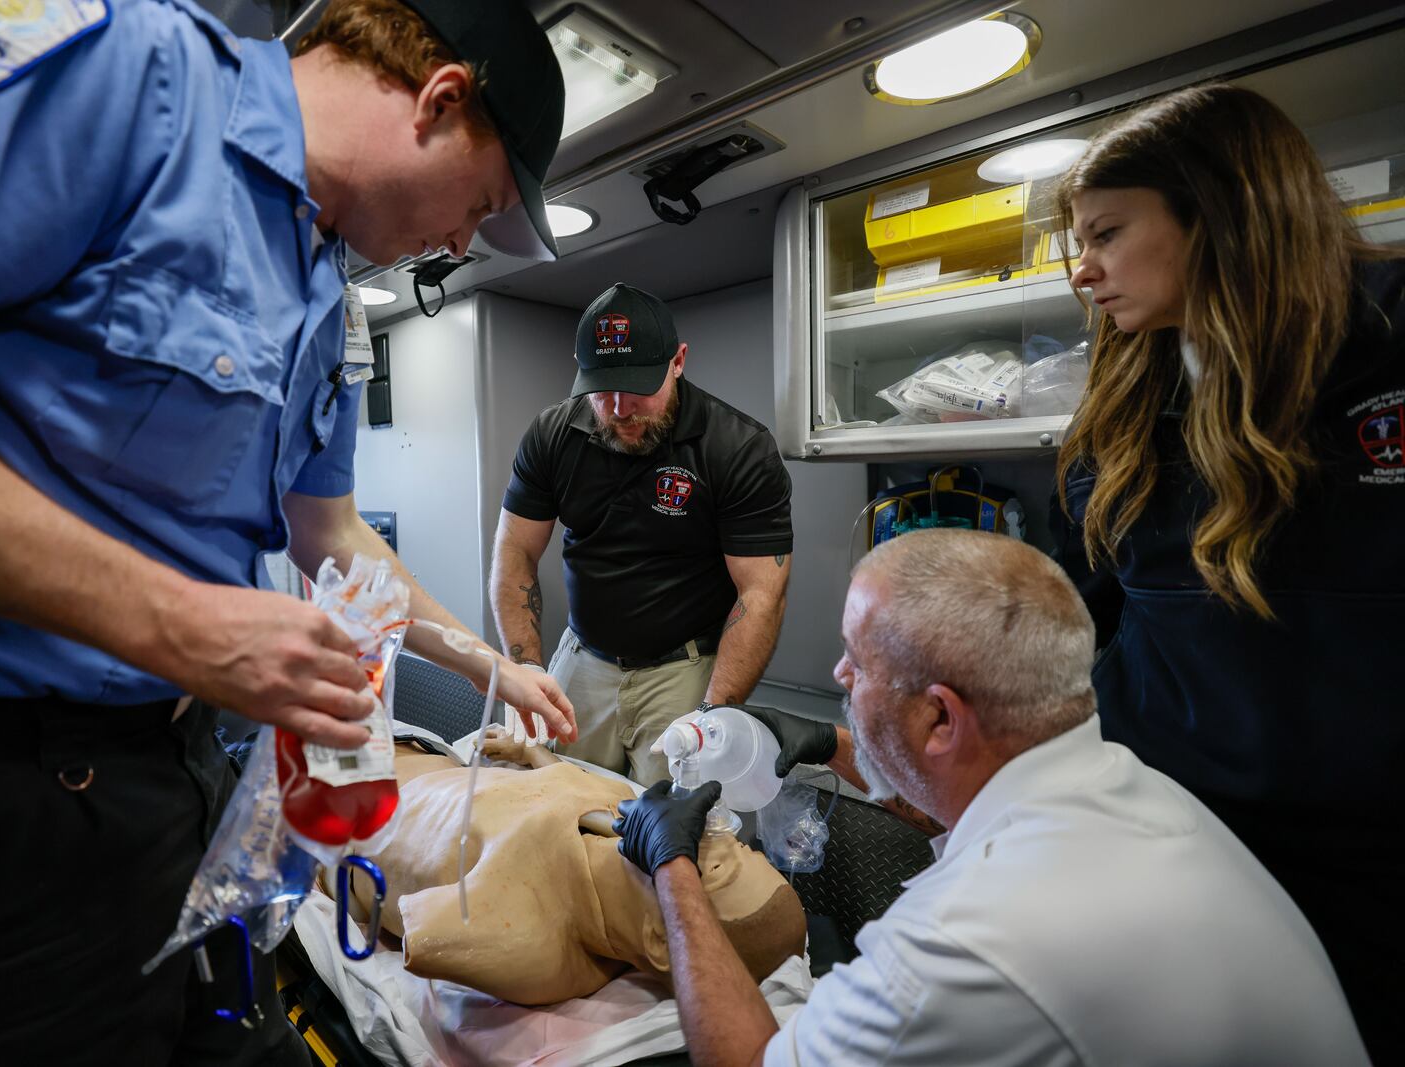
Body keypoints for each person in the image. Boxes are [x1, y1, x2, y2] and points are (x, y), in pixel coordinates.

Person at [0, 1, 574, 1061]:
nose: (455, 242)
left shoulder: (320, 288)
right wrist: (181, 623)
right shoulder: (128, 81)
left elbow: (332, 531)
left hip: (161, 779)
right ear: (440, 101)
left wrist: (486, 661)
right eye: (476, 207)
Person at [613, 529, 1368, 1067]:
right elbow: (961, 799)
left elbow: (748, 1059)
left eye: (857, 661)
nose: (839, 675)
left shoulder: (963, 941)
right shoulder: (1132, 785)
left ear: (941, 715)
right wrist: (836, 746)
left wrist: (672, 862)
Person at [1048, 83, 1404, 1061]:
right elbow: (1075, 614)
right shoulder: (1125, 398)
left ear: (1220, 209)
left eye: (1107, 233)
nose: (1085, 271)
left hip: (1369, 871)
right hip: (1168, 848)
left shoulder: (1387, 342)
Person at [492, 282, 794, 783]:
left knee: (669, 826)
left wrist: (711, 718)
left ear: (678, 361)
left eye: (637, 387)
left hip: (682, 668)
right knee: (563, 801)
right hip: (582, 660)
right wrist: (526, 667)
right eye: (601, 388)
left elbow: (762, 592)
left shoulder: (737, 448)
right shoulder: (551, 435)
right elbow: (516, 550)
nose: (619, 408)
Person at [335, 730, 805, 1005]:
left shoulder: (540, 941)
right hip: (415, 748)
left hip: (335, 793)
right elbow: (566, 781)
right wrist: (531, 755)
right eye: (732, 844)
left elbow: (421, 932)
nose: (708, 836)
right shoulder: (638, 822)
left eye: (714, 865)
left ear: (663, 941)